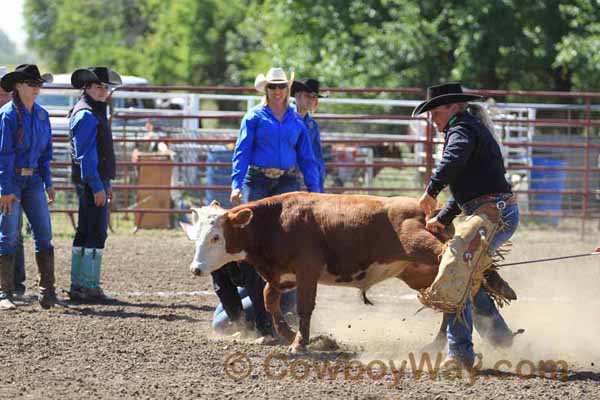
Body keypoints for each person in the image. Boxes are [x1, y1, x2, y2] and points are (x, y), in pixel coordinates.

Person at [211, 67, 320, 342]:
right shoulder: (255, 117)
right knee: (254, 236)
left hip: (286, 180)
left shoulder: (296, 121)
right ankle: (258, 301)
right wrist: (236, 184)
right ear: (266, 91)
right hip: (257, 178)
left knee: (291, 240)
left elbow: (307, 158)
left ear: (287, 88)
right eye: (273, 87)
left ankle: (285, 303)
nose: (278, 91)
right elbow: (242, 151)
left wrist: (316, 190)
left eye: (282, 86)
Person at [414, 82, 519, 367]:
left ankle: (460, 354)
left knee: (456, 270)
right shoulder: (467, 127)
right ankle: (500, 338)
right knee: (468, 277)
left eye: (435, 112)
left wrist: (431, 191)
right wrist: (444, 218)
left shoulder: (460, 129)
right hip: (491, 212)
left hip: (492, 214)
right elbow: (468, 189)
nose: (433, 119)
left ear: (451, 107)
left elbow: (453, 160)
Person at [0, 64, 57, 311]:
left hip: (34, 180)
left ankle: (48, 291)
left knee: (44, 233)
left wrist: (49, 182)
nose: (37, 88)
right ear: (18, 86)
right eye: (32, 84)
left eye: (39, 84)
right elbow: (4, 155)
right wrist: (4, 188)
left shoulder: (42, 115)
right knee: (9, 235)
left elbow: (46, 154)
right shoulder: (7, 116)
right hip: (12, 180)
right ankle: (4, 292)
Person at [67, 67, 122, 303]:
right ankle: (88, 286)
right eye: (99, 87)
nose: (104, 91)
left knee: (86, 229)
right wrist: (98, 185)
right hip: (92, 181)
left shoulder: (90, 111)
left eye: (106, 88)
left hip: (93, 180)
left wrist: (102, 182)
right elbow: (86, 156)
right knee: (96, 231)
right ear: (87, 87)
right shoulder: (88, 114)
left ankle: (79, 284)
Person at [0, 67, 26, 299]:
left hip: (9, 181)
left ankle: (15, 283)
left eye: (5, 93)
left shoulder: (13, 116)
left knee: (12, 231)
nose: (3, 97)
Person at [291, 78, 326, 192]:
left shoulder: (312, 125)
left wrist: (319, 183)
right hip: (285, 174)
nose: (311, 100)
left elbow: (317, 157)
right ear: (298, 95)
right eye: (307, 96)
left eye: (314, 97)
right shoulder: (285, 118)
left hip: (303, 176)